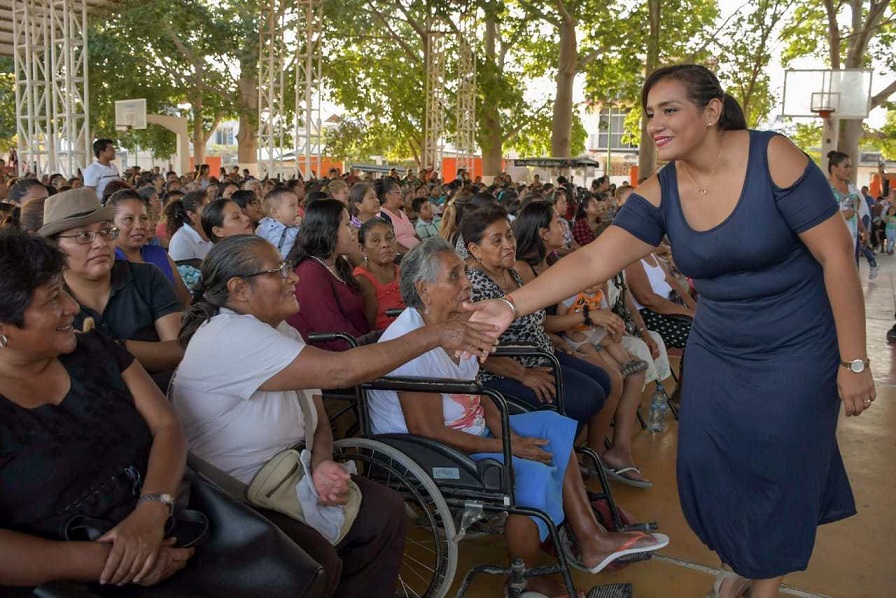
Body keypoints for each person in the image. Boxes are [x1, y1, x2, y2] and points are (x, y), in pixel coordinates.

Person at [470, 64, 871, 598]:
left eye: (670, 110)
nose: (655, 124)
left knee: (781, 468)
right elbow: (594, 260)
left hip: (796, 346)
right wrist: (509, 305)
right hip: (719, 345)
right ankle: (745, 562)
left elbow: (838, 257)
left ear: (711, 111)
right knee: (708, 466)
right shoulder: (661, 191)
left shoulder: (773, 157)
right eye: (650, 113)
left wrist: (854, 361)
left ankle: (762, 585)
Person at [169, 234, 498, 598]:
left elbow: (319, 416)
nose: (292, 277)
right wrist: (433, 334)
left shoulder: (283, 331)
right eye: (278, 271)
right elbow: (340, 372)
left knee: (384, 510)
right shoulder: (229, 334)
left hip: (289, 472)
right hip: (231, 497)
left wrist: (322, 462)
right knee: (319, 559)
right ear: (239, 289)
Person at [367, 238, 669, 597]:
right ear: (424, 290)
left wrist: (510, 436)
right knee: (530, 470)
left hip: (466, 430)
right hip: (426, 448)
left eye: (464, 271)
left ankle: (590, 537)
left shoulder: (457, 323)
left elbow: (480, 400)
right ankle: (526, 580)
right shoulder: (410, 342)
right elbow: (427, 429)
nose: (467, 282)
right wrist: (509, 446)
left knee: (551, 427)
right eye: (456, 275)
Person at [0, 229, 193, 590]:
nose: (72, 308)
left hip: (169, 525)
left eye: (64, 290)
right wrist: (112, 561)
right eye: (53, 299)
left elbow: (167, 425)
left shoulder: (96, 351)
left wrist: (152, 510)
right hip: (64, 578)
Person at [513, 200, 652, 488]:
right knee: (612, 376)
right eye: (556, 222)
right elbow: (537, 323)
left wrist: (595, 312)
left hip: (576, 332)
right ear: (541, 232)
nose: (563, 226)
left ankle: (619, 448)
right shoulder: (524, 269)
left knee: (633, 369)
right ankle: (594, 452)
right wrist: (590, 316)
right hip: (564, 337)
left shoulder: (553, 261)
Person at [39, 188, 185, 376]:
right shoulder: (44, 300)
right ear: (54, 248)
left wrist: (112, 347)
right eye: (83, 236)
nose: (100, 243)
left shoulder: (147, 276)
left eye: (106, 231)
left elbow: (179, 351)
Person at [286, 199, 371, 350]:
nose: (353, 229)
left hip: (356, 348)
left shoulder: (339, 263)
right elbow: (335, 334)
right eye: (346, 224)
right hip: (336, 358)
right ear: (328, 230)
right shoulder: (309, 272)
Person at [108, 189, 192, 307]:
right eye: (128, 219)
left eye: (143, 218)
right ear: (111, 225)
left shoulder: (159, 255)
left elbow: (186, 300)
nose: (139, 226)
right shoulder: (108, 262)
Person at [827, 151, 878, 280]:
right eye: (846, 166)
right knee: (836, 276)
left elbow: (854, 212)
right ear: (834, 168)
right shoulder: (824, 188)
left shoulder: (851, 187)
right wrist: (841, 215)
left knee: (851, 277)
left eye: (850, 166)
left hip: (852, 239)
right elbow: (819, 216)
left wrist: (864, 230)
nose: (849, 170)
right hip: (833, 241)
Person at [353, 218, 405, 331]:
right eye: (376, 240)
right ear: (362, 249)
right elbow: (367, 327)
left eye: (389, 238)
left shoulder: (403, 271)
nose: (385, 244)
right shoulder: (362, 280)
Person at [166, 190, 213, 262]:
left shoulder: (211, 230)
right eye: (207, 209)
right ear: (191, 215)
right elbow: (183, 272)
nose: (212, 212)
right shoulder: (181, 240)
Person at [377, 178, 420, 254]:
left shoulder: (401, 213)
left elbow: (414, 234)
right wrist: (410, 254)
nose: (402, 195)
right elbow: (390, 242)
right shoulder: (381, 215)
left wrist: (423, 246)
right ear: (388, 196)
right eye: (399, 193)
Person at [256, 186, 300, 259]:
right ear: (275, 212)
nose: (298, 209)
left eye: (297, 205)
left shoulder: (297, 228)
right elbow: (257, 247)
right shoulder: (264, 227)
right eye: (292, 206)